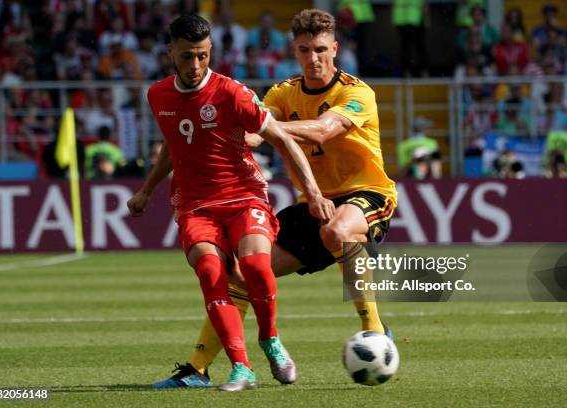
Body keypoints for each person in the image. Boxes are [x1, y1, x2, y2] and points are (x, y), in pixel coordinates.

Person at [154, 8, 398, 389]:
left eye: (320, 49)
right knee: (239, 274)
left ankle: (375, 329)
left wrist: (269, 130)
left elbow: (322, 130)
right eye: (304, 50)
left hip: (366, 195)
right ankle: (198, 367)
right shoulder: (283, 93)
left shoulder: (356, 92)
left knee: (336, 230)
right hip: (312, 207)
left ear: (335, 48)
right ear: (294, 51)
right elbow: (250, 128)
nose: (313, 58)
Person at [127, 14, 335, 392]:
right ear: (170, 51)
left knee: (256, 266)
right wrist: (147, 190)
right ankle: (241, 368)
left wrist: (315, 193)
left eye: (203, 56)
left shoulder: (232, 93)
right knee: (210, 272)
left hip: (243, 195)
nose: (195, 65)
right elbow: (174, 148)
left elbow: (284, 140)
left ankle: (269, 338)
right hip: (195, 204)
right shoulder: (158, 95)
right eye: (187, 56)